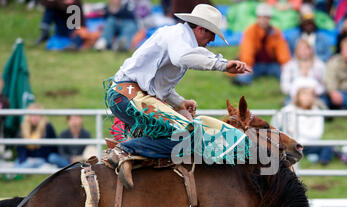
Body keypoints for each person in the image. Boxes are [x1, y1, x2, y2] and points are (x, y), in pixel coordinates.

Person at [104, 4, 251, 186]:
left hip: (128, 96)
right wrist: (222, 64)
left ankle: (133, 153)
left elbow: (157, 86)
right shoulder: (178, 37)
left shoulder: (178, 38)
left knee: (184, 135)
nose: (212, 39)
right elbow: (181, 58)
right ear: (200, 29)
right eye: (212, 33)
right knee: (187, 136)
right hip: (128, 97)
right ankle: (125, 150)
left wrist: (180, 102)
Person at [272, 78, 333, 165]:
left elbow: (317, 133)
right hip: (291, 145)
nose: (307, 98)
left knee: (328, 146)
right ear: (298, 95)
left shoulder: (317, 112)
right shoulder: (287, 110)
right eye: (304, 94)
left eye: (310, 95)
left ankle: (321, 161)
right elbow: (275, 125)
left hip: (308, 144)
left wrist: (295, 131)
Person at [232, 3, 291, 86]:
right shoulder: (250, 31)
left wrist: (285, 64)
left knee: (286, 72)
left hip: (271, 64)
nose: (263, 20)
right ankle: (242, 82)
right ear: (257, 17)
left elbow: (282, 50)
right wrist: (247, 64)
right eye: (261, 17)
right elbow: (247, 50)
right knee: (244, 73)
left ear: (269, 18)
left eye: (266, 17)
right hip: (255, 64)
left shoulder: (275, 32)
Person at [13, 103, 69, 170]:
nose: (34, 118)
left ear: (41, 116)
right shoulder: (23, 128)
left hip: (43, 158)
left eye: (37, 115)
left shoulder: (47, 127)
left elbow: (52, 147)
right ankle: (16, 172)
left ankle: (17, 173)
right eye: (32, 115)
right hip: (29, 158)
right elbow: (20, 148)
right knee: (18, 162)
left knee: (51, 158)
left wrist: (36, 158)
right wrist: (25, 158)